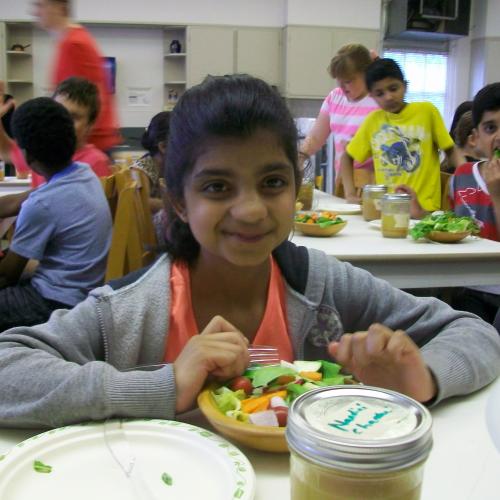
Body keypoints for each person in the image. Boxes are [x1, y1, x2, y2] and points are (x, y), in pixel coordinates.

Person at [0, 75, 498, 429]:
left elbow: (473, 331)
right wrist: (164, 386)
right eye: (217, 187)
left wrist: (424, 378)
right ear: (178, 200)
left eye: (272, 182)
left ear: (297, 188)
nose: (252, 210)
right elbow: (9, 366)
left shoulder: (320, 284)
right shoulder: (129, 309)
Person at [0, 97, 112, 332]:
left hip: (54, 303)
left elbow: (8, 275)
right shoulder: (82, 174)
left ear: (28, 156)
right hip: (84, 292)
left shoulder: (43, 203)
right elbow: (20, 201)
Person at [340, 58, 464, 208]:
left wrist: (469, 179)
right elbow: (347, 156)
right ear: (371, 96)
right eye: (380, 93)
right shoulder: (373, 121)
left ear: (405, 86)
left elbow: (450, 150)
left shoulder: (426, 112)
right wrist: (350, 193)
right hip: (387, 210)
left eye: (393, 89)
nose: (389, 97)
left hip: (424, 210)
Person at [0, 77, 113, 218]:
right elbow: (5, 152)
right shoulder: (40, 149)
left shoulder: (95, 162)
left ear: (90, 125)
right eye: (57, 112)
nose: (61, 121)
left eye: (73, 117)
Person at [32, 0, 120, 151]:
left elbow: (95, 98)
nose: (36, 12)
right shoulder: (70, 41)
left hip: (88, 146)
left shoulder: (74, 43)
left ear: (59, 7)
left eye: (41, 5)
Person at [448, 82, 500, 324]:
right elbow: (450, 227)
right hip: (469, 287)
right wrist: (420, 213)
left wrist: (496, 193)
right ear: (476, 137)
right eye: (491, 128)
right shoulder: (462, 175)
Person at [299, 44, 378, 187]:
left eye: (348, 81)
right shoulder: (334, 98)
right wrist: (300, 157)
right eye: (339, 80)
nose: (342, 86)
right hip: (343, 183)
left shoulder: (379, 101)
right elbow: (316, 138)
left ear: (366, 73)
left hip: (373, 184)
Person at [131, 111, 170, 214]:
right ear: (163, 147)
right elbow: (140, 202)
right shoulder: (140, 169)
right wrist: (172, 206)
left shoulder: (166, 167)